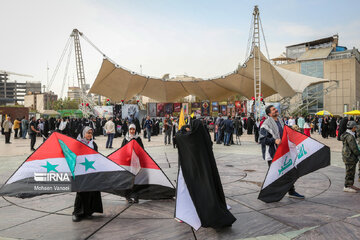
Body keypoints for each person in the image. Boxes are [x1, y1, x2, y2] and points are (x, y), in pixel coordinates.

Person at [259, 105, 305, 199]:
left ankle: (291, 191)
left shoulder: (280, 121)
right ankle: (269, 194)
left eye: (275, 109)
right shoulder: (266, 124)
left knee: (289, 171)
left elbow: (284, 133)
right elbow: (262, 139)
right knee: (275, 175)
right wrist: (274, 141)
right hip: (273, 153)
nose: (276, 110)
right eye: (273, 109)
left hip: (283, 151)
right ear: (269, 114)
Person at [73, 127, 103, 222]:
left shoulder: (93, 144)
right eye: (88, 133)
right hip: (81, 171)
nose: (90, 135)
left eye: (91, 133)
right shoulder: (78, 144)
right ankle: (77, 213)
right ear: (83, 133)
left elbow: (96, 156)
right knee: (81, 192)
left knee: (90, 192)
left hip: (91, 171)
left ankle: (88, 212)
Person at [121, 124, 144, 203]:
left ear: (135, 130)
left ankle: (136, 196)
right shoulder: (126, 139)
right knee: (128, 179)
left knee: (136, 179)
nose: (132, 131)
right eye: (130, 129)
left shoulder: (138, 138)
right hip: (128, 162)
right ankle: (127, 196)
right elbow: (122, 150)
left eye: (133, 129)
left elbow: (142, 150)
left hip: (136, 162)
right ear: (128, 130)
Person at [340, 121, 360, 193]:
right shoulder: (350, 136)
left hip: (347, 155)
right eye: (355, 127)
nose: (356, 129)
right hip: (350, 156)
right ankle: (347, 186)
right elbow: (354, 148)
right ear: (353, 128)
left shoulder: (347, 134)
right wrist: (358, 154)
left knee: (351, 170)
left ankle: (350, 184)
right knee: (350, 171)